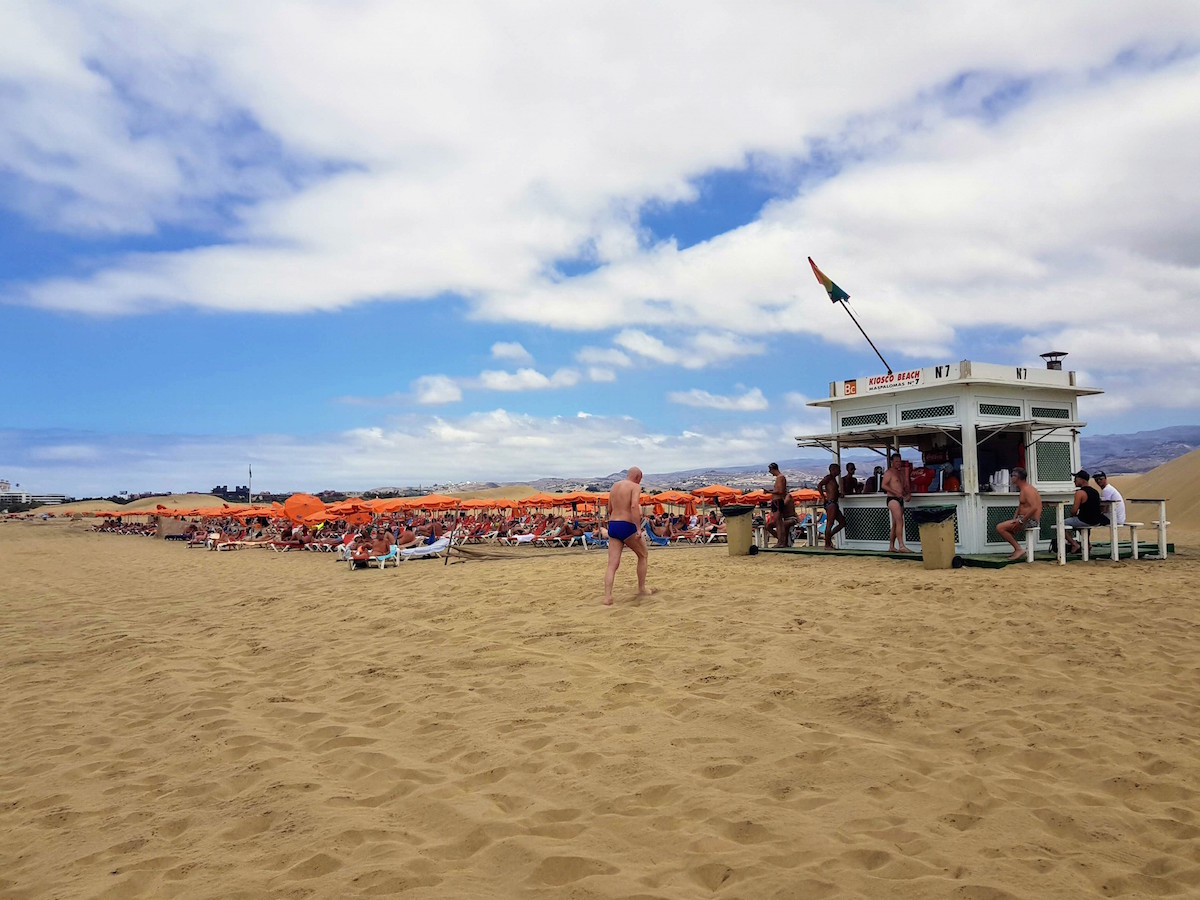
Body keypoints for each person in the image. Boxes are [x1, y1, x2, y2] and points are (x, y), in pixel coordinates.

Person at [603, 467, 654, 605]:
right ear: (638, 477)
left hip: (613, 524)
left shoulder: (614, 486)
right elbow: (633, 506)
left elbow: (609, 509)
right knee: (643, 555)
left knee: (612, 564)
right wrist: (638, 528)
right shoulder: (635, 487)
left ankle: (607, 597)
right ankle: (641, 588)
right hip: (627, 525)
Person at [996, 466, 1043, 560]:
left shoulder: (1027, 490)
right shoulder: (1023, 489)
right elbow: (1021, 506)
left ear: (1018, 477)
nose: (1011, 478)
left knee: (1000, 527)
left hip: (1030, 520)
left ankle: (1018, 549)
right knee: (1006, 528)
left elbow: (1034, 507)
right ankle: (1017, 549)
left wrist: (1021, 521)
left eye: (1012, 476)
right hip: (1024, 518)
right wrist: (1015, 519)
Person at [1064, 469, 1107, 554]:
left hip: (1084, 520)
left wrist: (1073, 516)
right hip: (1095, 521)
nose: (1074, 481)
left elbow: (1074, 511)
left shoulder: (1080, 493)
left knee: (1061, 524)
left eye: (1076, 478)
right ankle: (1087, 544)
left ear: (1081, 479)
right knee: (1082, 524)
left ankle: (1074, 544)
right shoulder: (1095, 492)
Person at [881, 455, 913, 553]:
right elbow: (884, 485)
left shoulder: (901, 473)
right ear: (892, 462)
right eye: (896, 461)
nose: (898, 463)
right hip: (892, 499)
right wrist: (896, 493)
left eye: (899, 461)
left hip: (900, 498)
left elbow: (903, 487)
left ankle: (891, 546)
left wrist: (907, 494)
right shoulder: (889, 472)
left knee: (895, 524)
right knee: (900, 521)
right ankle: (901, 545)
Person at [816, 463, 847, 550]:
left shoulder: (833, 479)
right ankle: (827, 544)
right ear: (833, 470)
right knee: (830, 524)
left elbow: (832, 491)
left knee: (842, 522)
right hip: (831, 503)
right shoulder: (828, 478)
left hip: (833, 503)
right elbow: (819, 485)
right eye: (838, 469)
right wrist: (823, 497)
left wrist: (839, 494)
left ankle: (828, 538)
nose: (840, 471)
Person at [767, 462, 790, 548]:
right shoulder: (779, 478)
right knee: (778, 522)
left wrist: (769, 492)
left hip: (777, 501)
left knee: (778, 522)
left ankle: (781, 542)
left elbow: (780, 491)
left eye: (770, 470)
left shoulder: (780, 478)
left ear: (773, 469)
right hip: (776, 501)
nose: (770, 472)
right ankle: (781, 541)